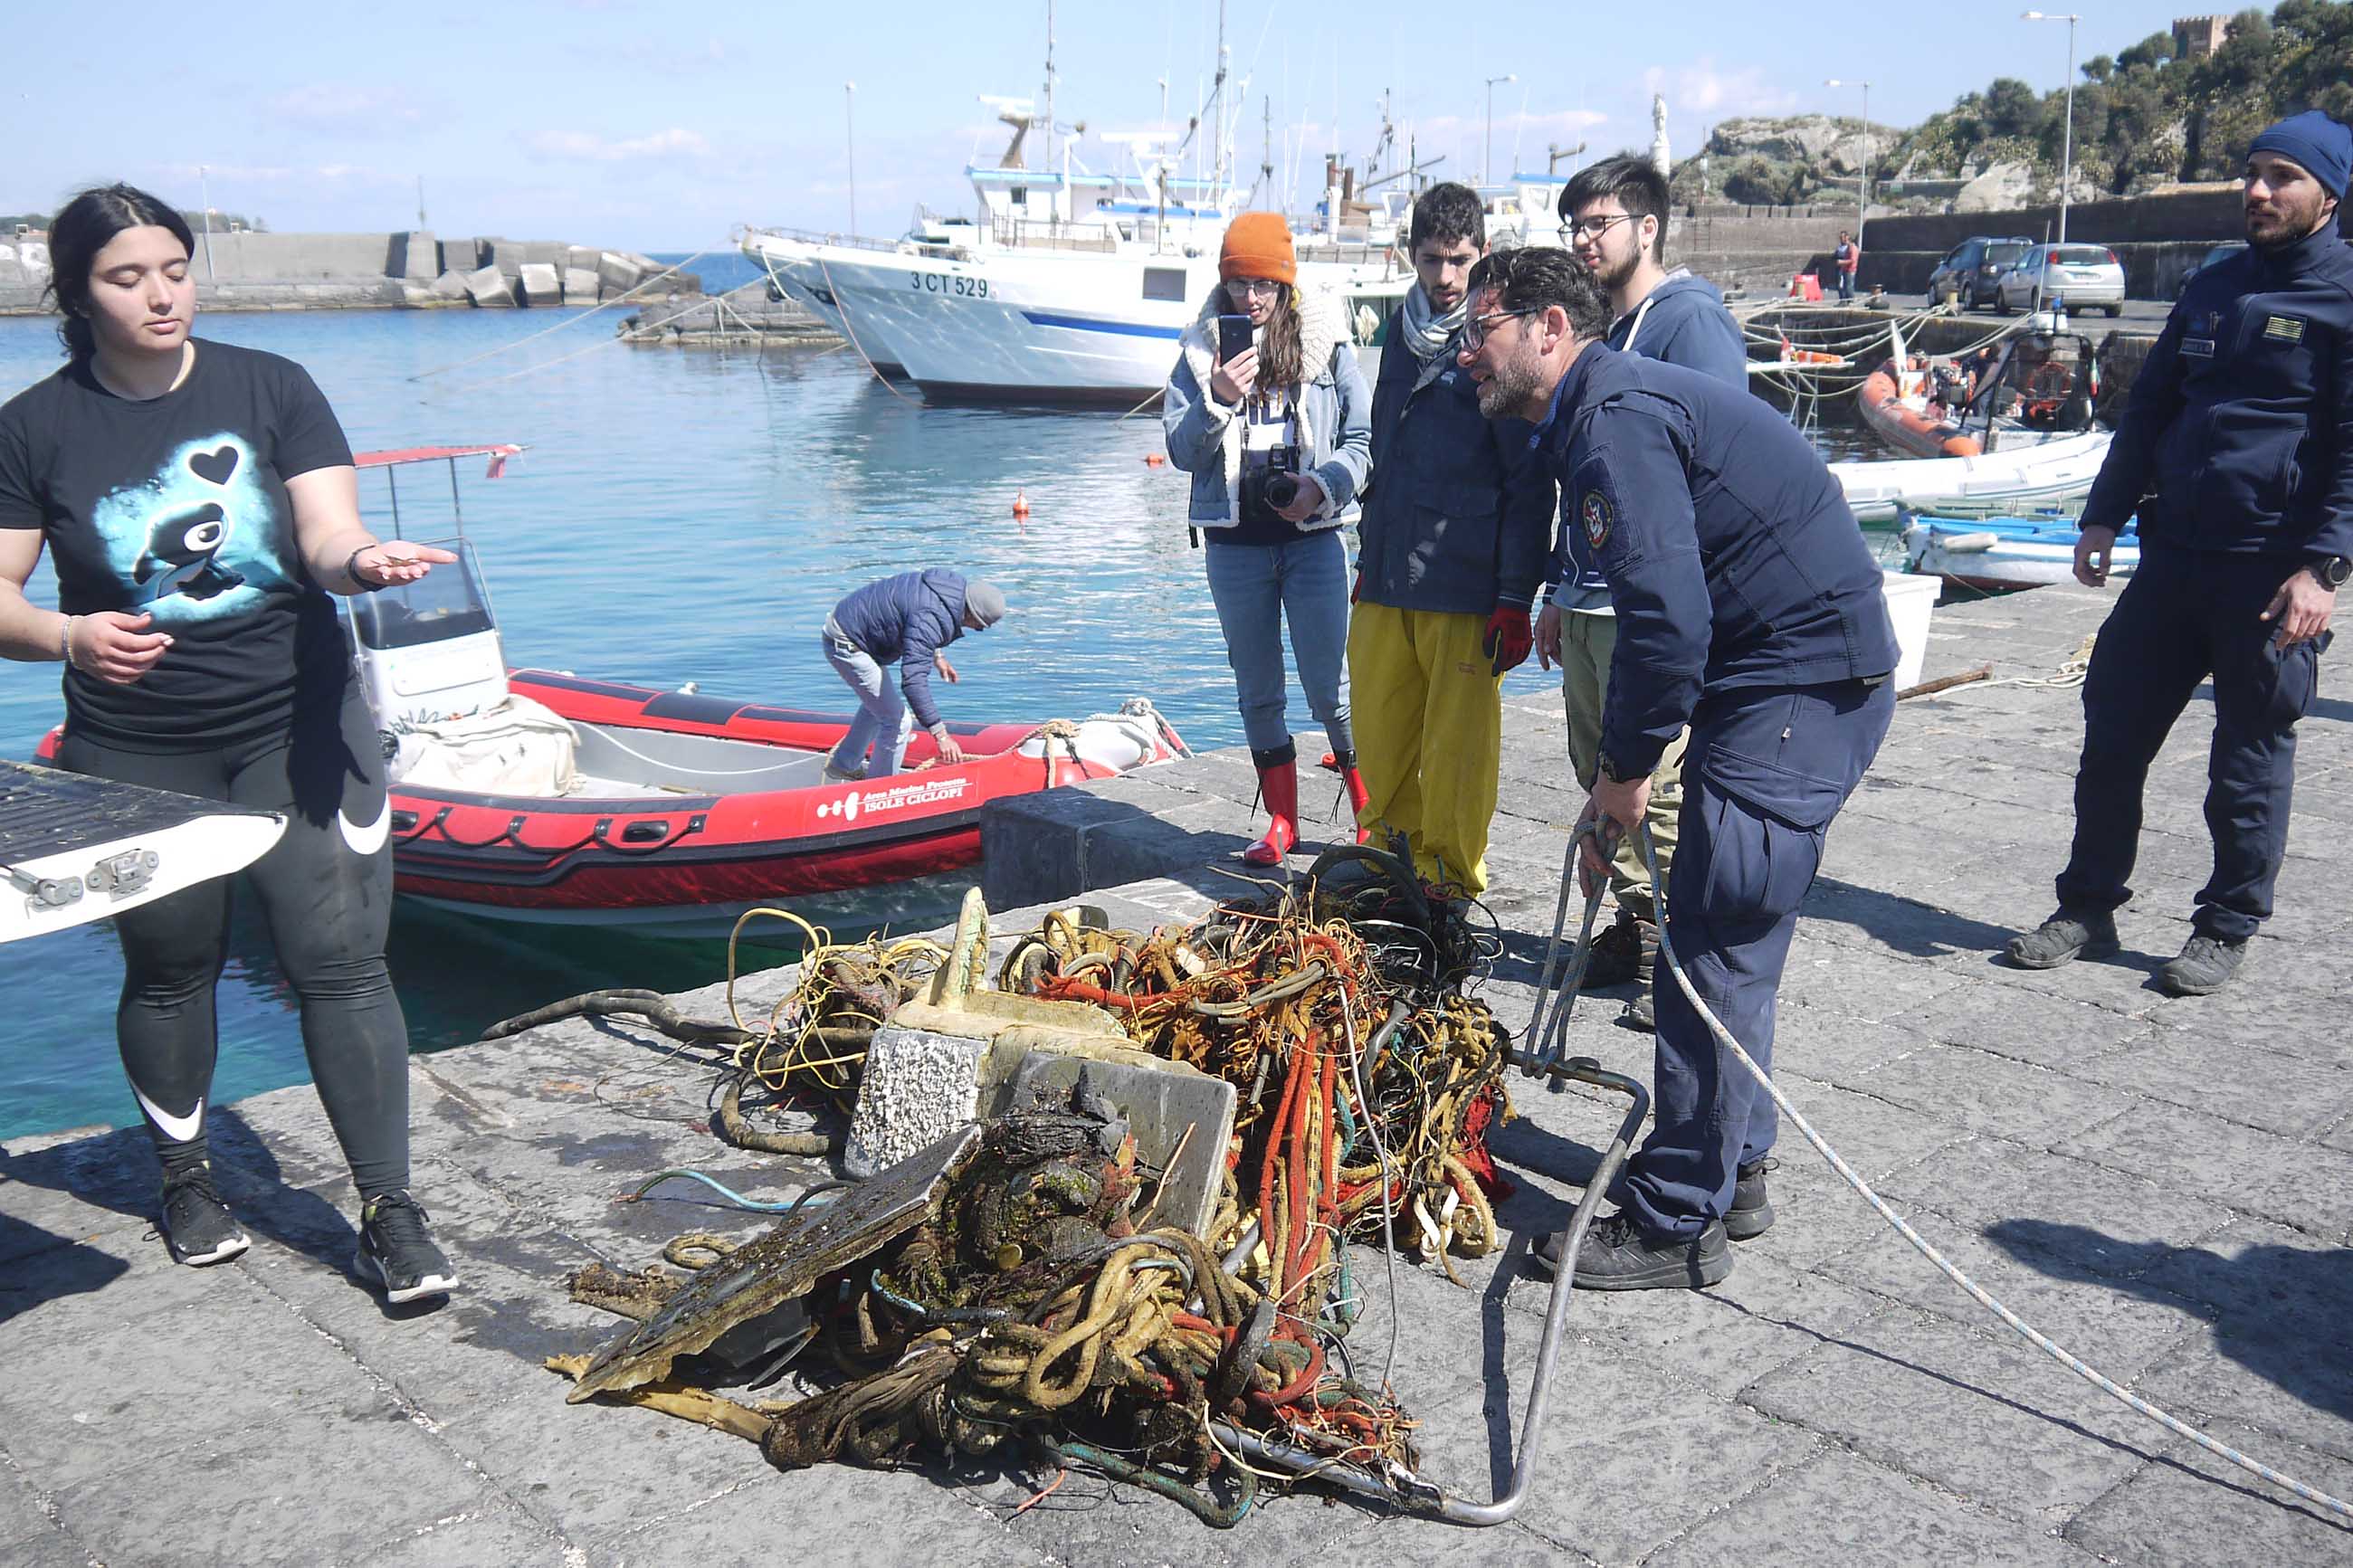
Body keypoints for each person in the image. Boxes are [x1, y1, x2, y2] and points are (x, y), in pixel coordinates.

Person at [0, 185, 461, 1301]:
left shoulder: (271, 385)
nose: (161, 293)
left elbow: (325, 533)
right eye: (127, 276)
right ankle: (186, 1176)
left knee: (342, 963)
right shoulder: (35, 425)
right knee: (170, 972)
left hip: (296, 722)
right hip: (134, 748)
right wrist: (66, 633)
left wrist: (361, 565)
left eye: (174, 267)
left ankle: (389, 1209)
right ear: (77, 291)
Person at [1460, 247, 1899, 1289]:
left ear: (1549, 329)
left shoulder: (1610, 423)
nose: (1464, 350)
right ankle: (1730, 1167)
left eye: (1480, 330)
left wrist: (1619, 774)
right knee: (1725, 933)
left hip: (1795, 690)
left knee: (1708, 944)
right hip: (1786, 682)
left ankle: (1672, 1221)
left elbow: (1665, 622)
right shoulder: (1601, 409)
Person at [2005, 111, 2353, 997]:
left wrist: (2323, 568)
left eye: (2281, 176)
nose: (2258, 190)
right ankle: (2085, 905)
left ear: (2328, 193)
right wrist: (2099, 517)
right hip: (2173, 559)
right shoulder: (2213, 282)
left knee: (2245, 757)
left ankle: (2224, 923)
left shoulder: (2342, 296)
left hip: (2268, 569)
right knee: (2110, 735)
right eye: (2251, 173)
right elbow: (2150, 406)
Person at [1538, 154, 1748, 1030]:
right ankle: (1633, 921)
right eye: (1575, 226)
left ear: (1647, 226)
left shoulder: (1688, 321)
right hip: (1588, 598)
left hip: (1645, 605)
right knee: (1596, 770)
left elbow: (1714, 462)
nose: (1584, 240)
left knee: (1652, 779)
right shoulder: (1608, 328)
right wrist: (1556, 584)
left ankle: (1678, 952)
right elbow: (1584, 478)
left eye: (1598, 223)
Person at [1346, 183, 1554, 897]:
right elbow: (1382, 453)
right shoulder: (1396, 338)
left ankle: (1449, 884)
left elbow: (1528, 480)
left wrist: (1513, 596)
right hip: (1386, 576)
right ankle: (1392, 864)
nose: (1445, 279)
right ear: (1411, 255)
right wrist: (1368, 559)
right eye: (1432, 260)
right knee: (1379, 732)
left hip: (1466, 587)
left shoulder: (1501, 344)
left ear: (1483, 254)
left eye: (1460, 261)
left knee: (1457, 752)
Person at [1165, 213, 1372, 863]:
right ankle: (1283, 823)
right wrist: (1218, 398)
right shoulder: (1200, 351)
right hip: (1234, 545)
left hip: (1313, 537)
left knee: (1331, 687)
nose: (1249, 298)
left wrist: (1324, 486)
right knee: (1256, 689)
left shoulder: (1327, 343)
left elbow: (1365, 442)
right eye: (1237, 283)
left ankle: (1374, 814)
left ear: (1285, 284)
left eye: (1262, 283)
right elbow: (1178, 448)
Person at [821, 570, 1005, 781]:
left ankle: (844, 764)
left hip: (854, 626)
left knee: (879, 706)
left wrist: (937, 656)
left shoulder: (948, 591)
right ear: (972, 614)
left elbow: (916, 622)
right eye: (979, 626)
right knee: (898, 722)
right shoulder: (932, 616)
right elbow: (913, 681)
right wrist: (941, 734)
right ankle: (877, 793)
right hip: (847, 642)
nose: (976, 629)